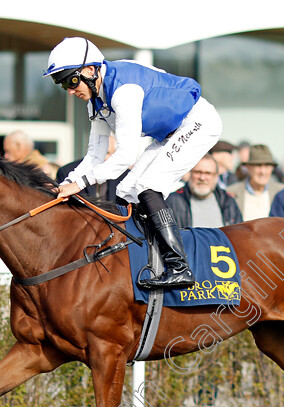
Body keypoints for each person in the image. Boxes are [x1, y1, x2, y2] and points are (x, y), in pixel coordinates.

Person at [45, 37, 221, 289]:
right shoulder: (95, 101)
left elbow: (125, 156)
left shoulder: (123, 92)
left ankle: (179, 267)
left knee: (148, 185)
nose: (71, 91)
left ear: (90, 70)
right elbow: (94, 156)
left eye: (72, 81)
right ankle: (147, 257)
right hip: (167, 135)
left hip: (198, 123)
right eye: (63, 85)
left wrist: (82, 182)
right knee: (125, 190)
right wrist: (68, 183)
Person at [166, 154, 242, 228]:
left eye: (208, 173)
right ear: (190, 173)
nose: (202, 178)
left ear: (216, 176)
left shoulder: (228, 201)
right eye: (198, 172)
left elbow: (239, 234)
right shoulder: (173, 201)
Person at [227, 144, 284, 221]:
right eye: (258, 166)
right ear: (248, 167)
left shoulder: (281, 191)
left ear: (272, 169)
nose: (263, 172)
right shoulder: (231, 192)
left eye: (267, 166)